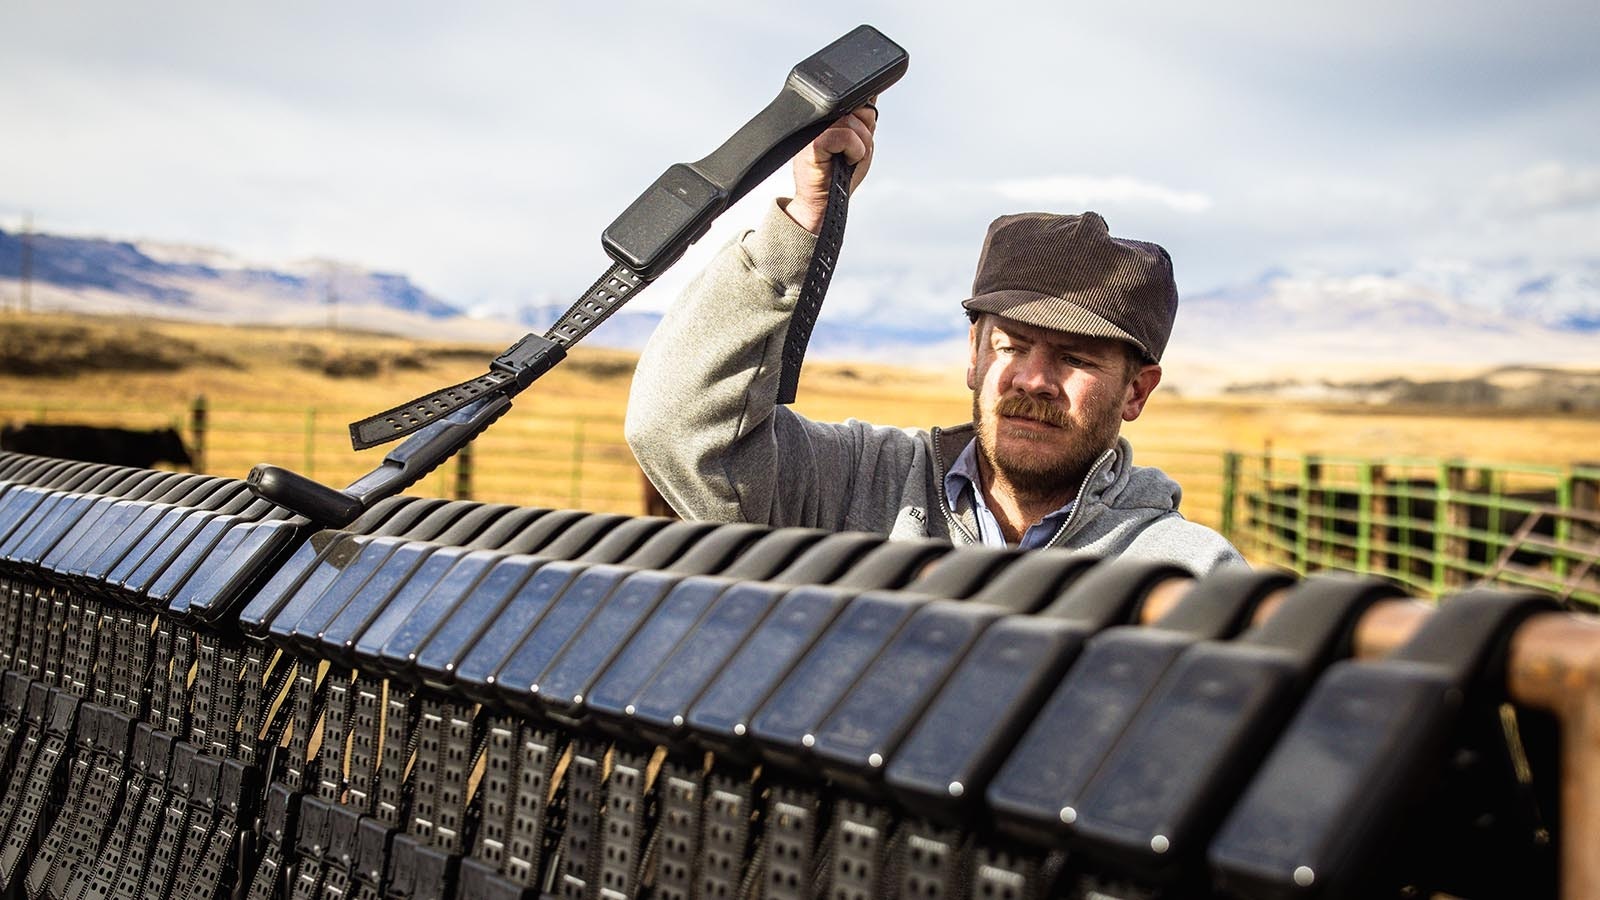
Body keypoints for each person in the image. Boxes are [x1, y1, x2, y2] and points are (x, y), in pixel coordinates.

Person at [625, 103, 1243, 574]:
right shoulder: (856, 484)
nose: (1033, 380)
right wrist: (801, 225)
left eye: (1076, 358)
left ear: (1136, 391)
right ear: (973, 353)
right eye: (1012, 345)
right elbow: (674, 427)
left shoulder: (1182, 573)